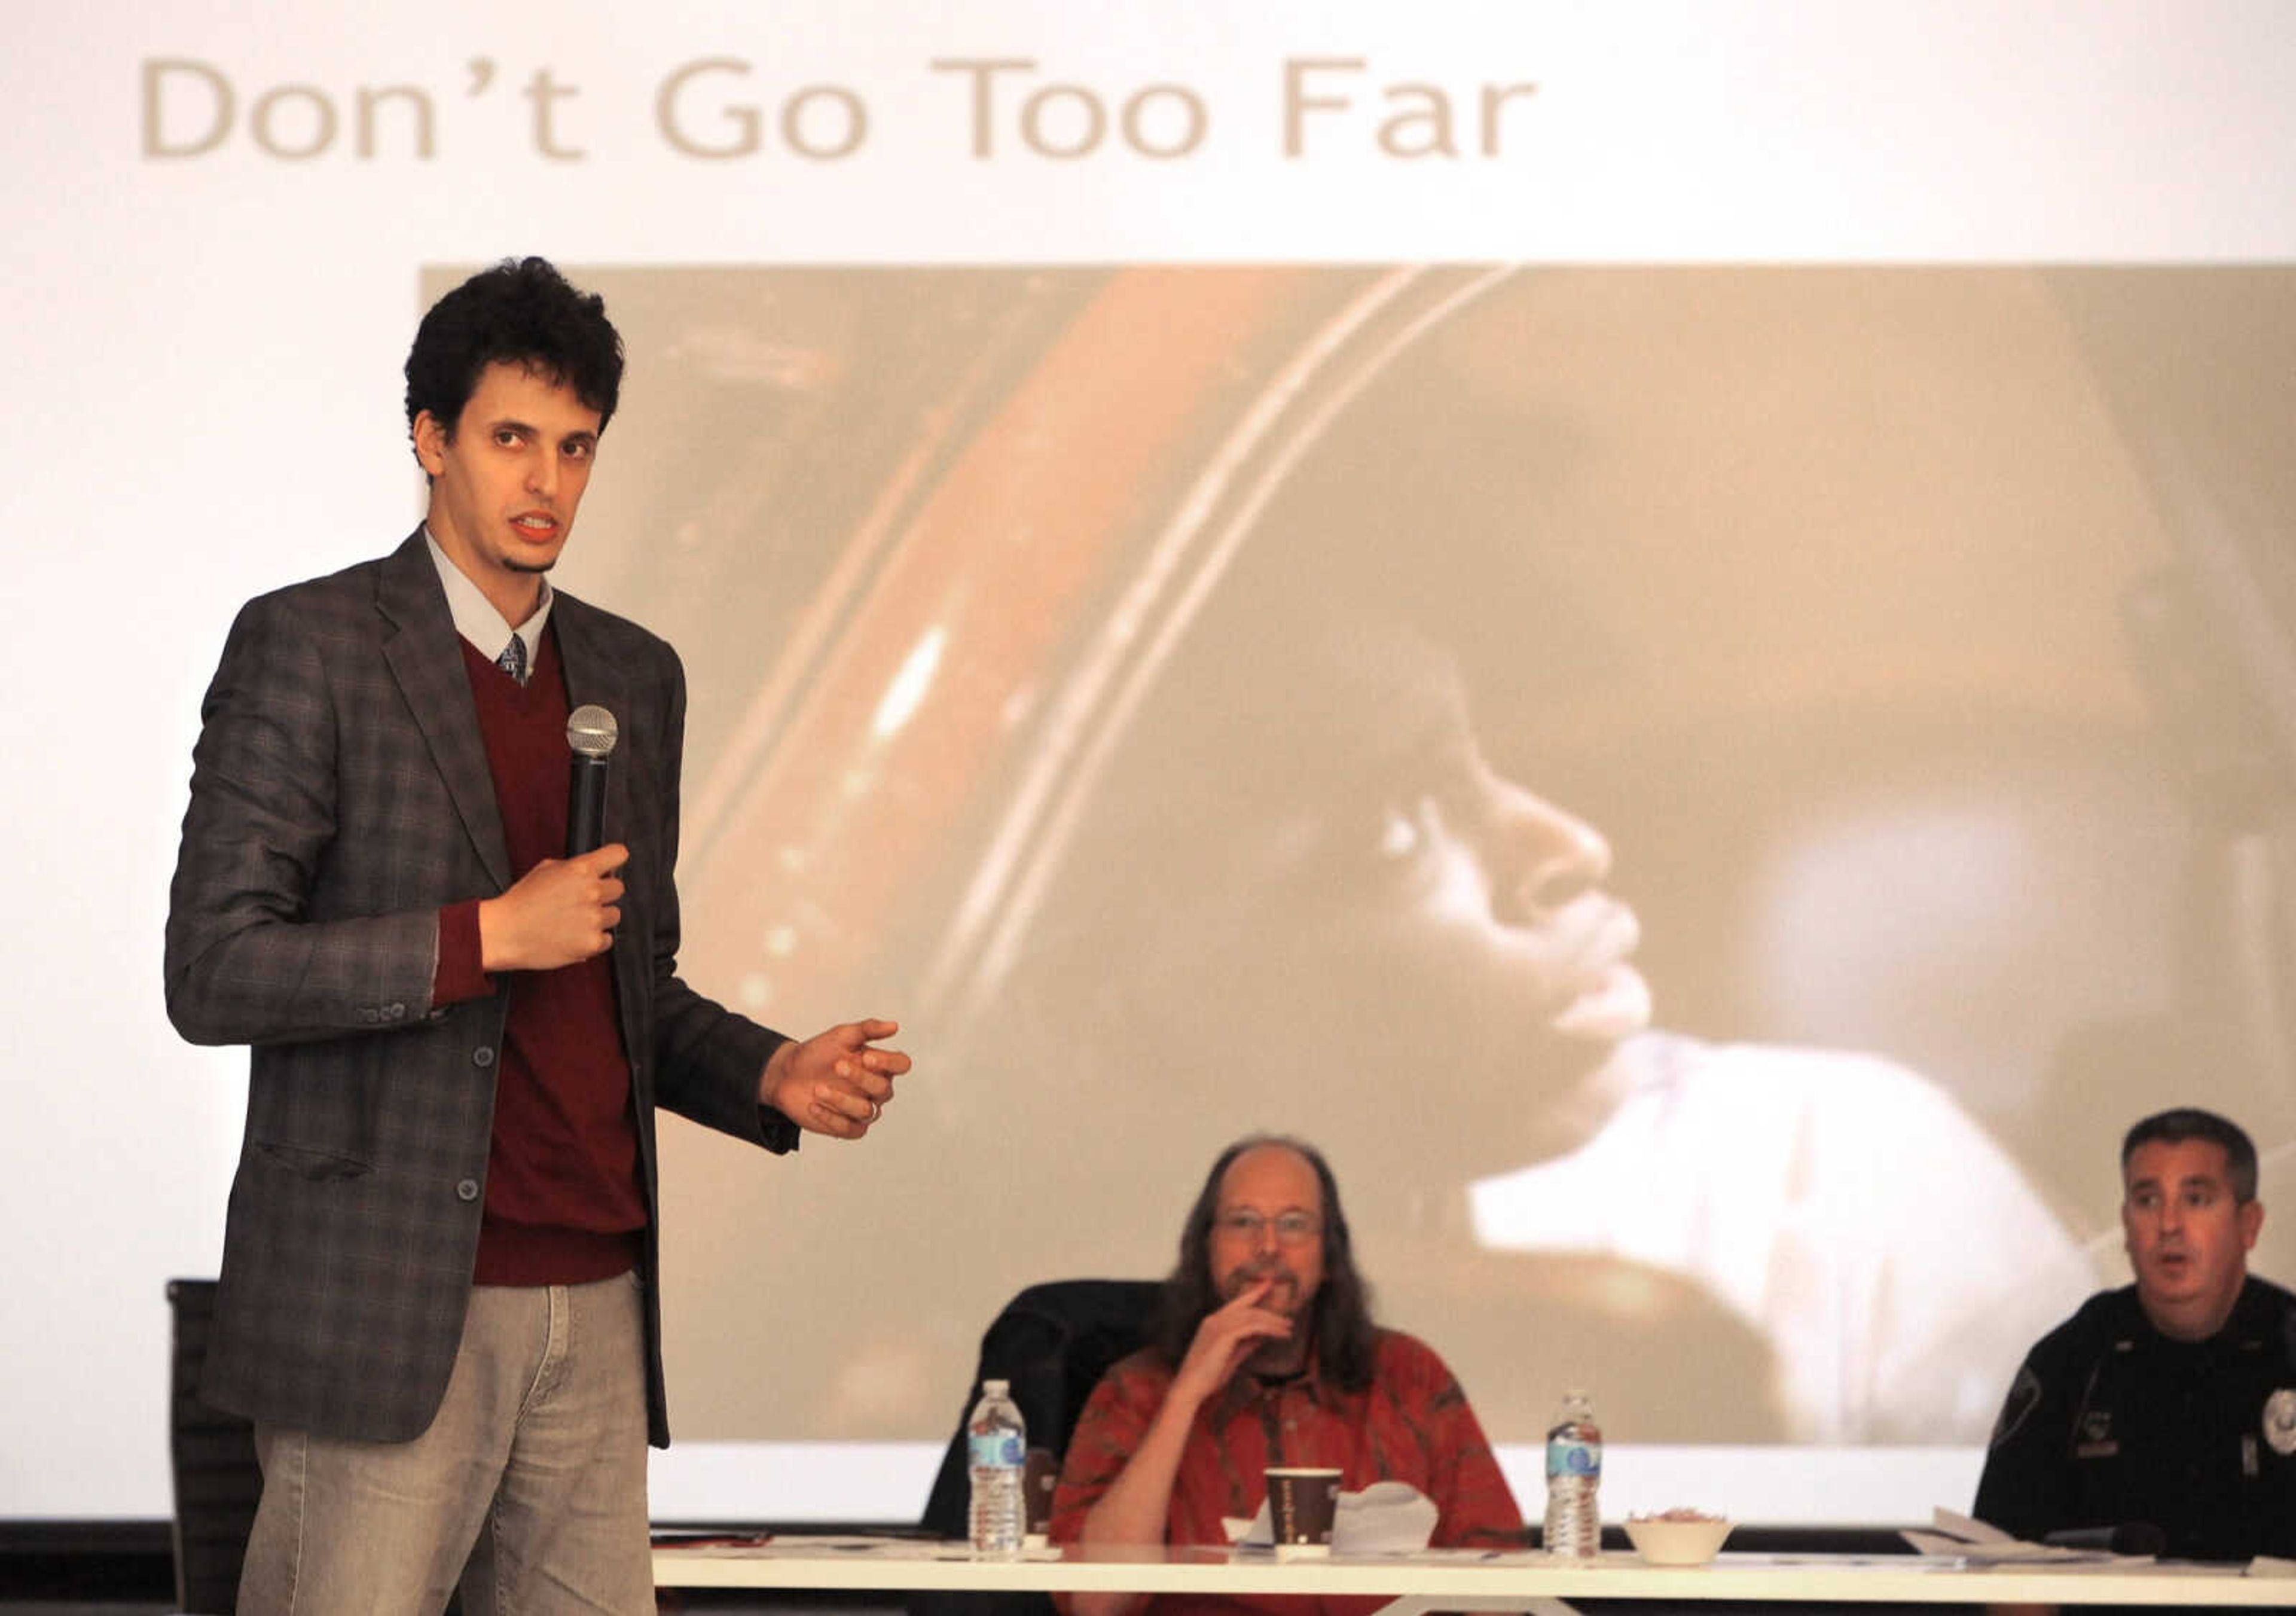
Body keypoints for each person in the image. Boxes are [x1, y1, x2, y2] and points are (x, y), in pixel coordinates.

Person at [163, 257, 911, 1615]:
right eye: (512, 439)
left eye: (576, 448)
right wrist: (484, 938)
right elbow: (215, 970)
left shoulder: (633, 675)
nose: (546, 482)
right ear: (431, 439)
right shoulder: (313, 647)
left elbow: (631, 984)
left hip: (598, 1293)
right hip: (388, 1305)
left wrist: (765, 1071)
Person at [1024, 614, 2095, 1445]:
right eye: (1392, 831)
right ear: (1134, 991)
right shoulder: (1056, 1340)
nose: (1569, 845)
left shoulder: (1837, 1171)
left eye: (1483, 768)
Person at [1049, 1136, 1522, 1616]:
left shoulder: (1410, 1376)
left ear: (1330, 1257)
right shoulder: (1138, 1389)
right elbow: (1096, 1599)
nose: (1268, 1247)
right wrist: (1186, 1395)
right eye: (1243, 1222)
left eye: (1294, 1225)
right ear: (1205, 1248)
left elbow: (1500, 1573)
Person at [1973, 1107, 2296, 1560]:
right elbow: (2002, 1556)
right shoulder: (2071, 1360)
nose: (2168, 1225)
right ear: (2125, 1226)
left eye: (2196, 1199)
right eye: (2147, 1201)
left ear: (2249, 1224)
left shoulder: (2289, 1344)